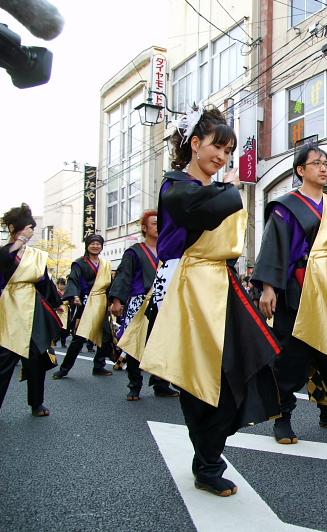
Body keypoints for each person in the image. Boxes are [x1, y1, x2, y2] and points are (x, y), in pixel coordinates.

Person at [118, 107, 282, 497]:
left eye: (228, 151)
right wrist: (230, 188)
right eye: (217, 147)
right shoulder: (176, 186)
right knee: (198, 381)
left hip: (221, 286)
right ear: (194, 143)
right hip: (185, 289)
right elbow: (206, 209)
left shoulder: (212, 189)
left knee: (240, 369)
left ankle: (209, 456)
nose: (222, 157)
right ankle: (208, 465)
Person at [252, 143, 327, 443]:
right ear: (300, 170)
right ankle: (282, 416)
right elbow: (273, 246)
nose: (324, 168)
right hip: (297, 285)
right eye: (317, 163)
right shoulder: (285, 207)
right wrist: (268, 288)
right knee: (291, 353)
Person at [108, 210, 178, 401]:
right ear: (145, 228)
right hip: (140, 302)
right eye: (154, 223)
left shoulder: (170, 251)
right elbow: (124, 276)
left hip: (165, 302)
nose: (159, 226)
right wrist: (117, 300)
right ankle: (134, 385)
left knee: (164, 343)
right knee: (135, 345)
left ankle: (161, 384)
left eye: (161, 223)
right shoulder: (134, 252)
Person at [0, 204, 61, 417]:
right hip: (7, 307)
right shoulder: (4, 252)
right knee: (4, 358)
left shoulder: (36, 255)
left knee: (36, 356)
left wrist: (57, 303)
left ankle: (37, 403)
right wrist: (18, 243)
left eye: (32, 228)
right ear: (12, 228)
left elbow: (45, 282)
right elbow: (3, 262)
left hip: (33, 307)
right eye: (28, 227)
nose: (31, 232)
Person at [52, 234, 114, 379]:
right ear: (87, 245)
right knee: (79, 338)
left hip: (102, 302)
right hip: (86, 302)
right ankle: (64, 369)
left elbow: (110, 284)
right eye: (92, 243)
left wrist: (113, 301)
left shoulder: (105, 264)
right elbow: (73, 280)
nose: (95, 246)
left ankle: (99, 366)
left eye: (98, 244)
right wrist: (74, 295)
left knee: (105, 336)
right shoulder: (79, 263)